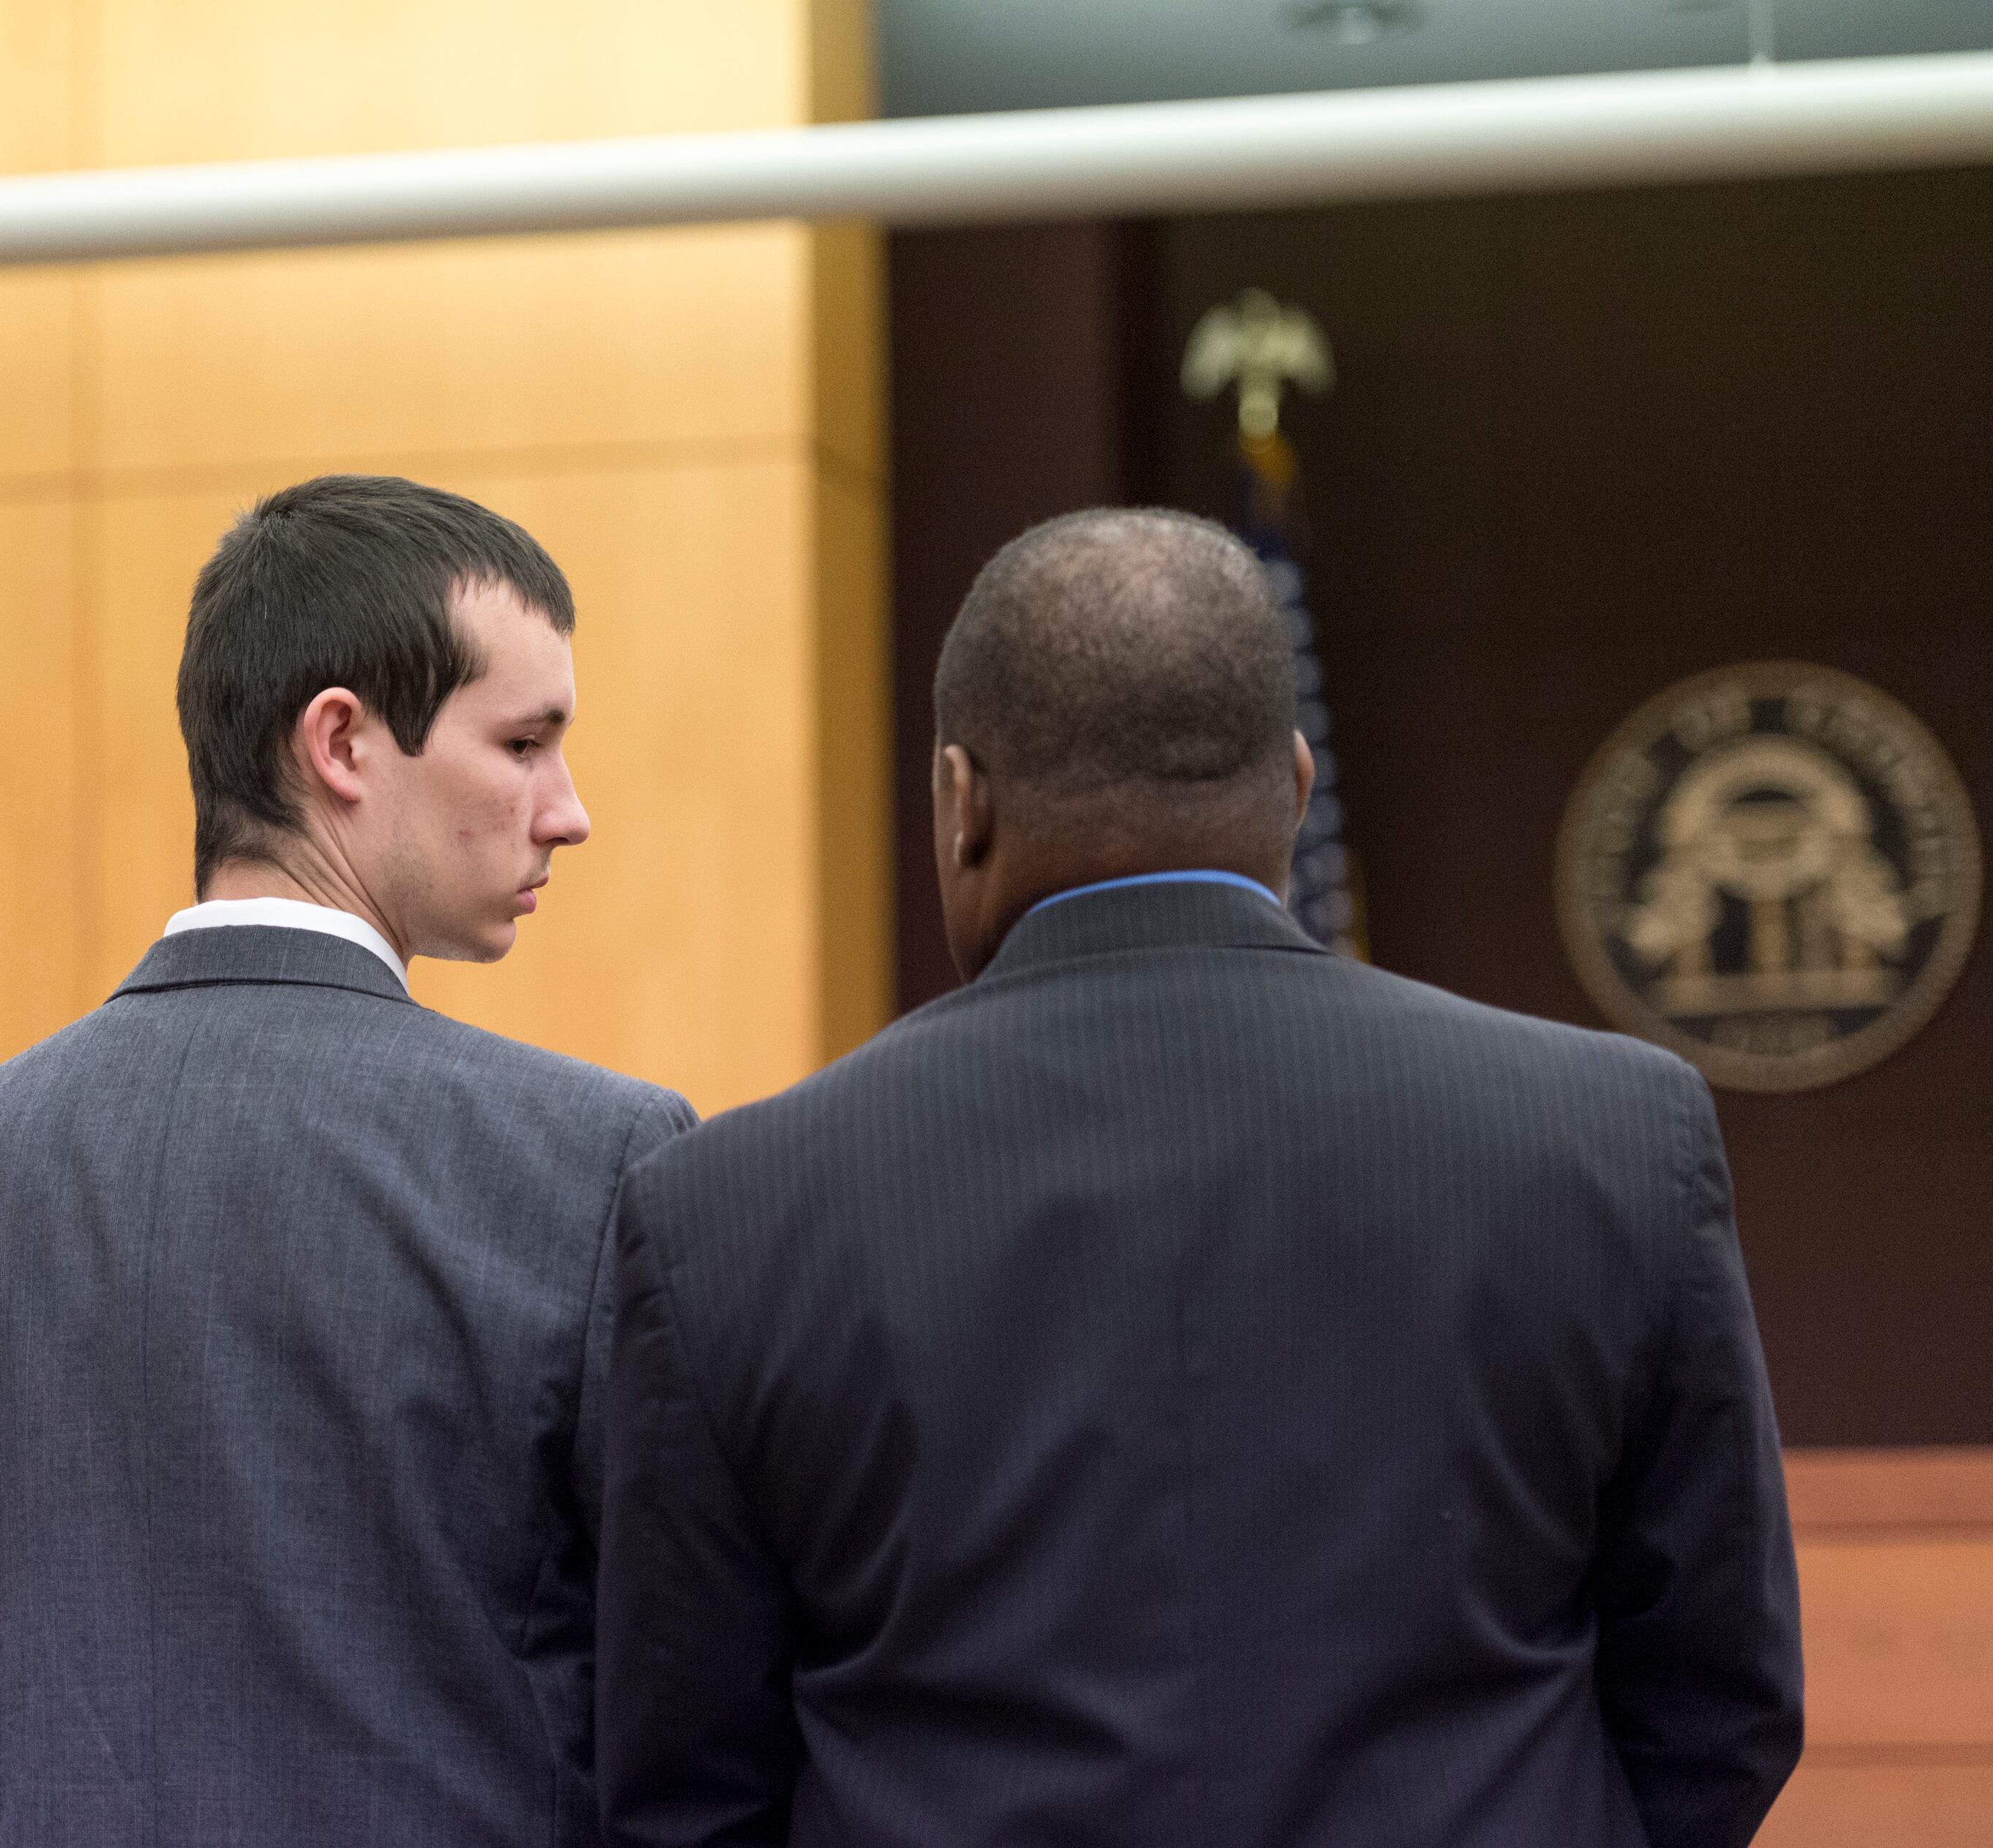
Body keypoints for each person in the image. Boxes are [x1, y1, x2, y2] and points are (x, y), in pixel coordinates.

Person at [597, 508, 1804, 1848]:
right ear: (1295, 784)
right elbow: (1719, 1708)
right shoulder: (1611, 1138)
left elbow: (690, 1789)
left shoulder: (725, 1211)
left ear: (961, 799)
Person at [0, 474, 697, 1847]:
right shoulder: (597, 1166)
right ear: (340, 741)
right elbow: (683, 1713)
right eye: (524, 742)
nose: (567, 810)